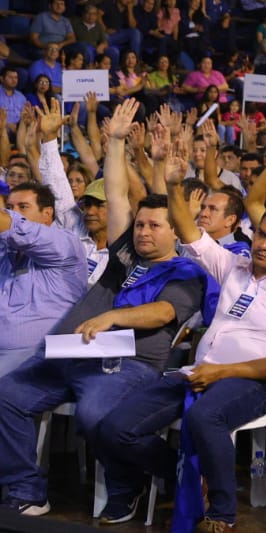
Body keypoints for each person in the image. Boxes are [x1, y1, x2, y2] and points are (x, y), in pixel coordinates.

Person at [0, 100, 213, 517]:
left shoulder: (187, 270)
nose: (144, 231)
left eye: (154, 226)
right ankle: (27, 489)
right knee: (7, 394)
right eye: (141, 225)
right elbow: (116, 195)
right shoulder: (126, 256)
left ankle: (146, 477)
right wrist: (114, 143)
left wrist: (114, 315)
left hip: (127, 363)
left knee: (97, 417)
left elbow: (163, 314)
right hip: (74, 355)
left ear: (176, 230)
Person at [94, 166, 266, 530]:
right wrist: (171, 183)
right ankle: (182, 474)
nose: (263, 244)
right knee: (115, 427)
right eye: (261, 234)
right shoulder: (236, 266)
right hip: (198, 373)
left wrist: (223, 372)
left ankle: (221, 513)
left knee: (204, 418)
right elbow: (191, 234)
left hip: (251, 383)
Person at [0, 178, 88, 378]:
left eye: (23, 207)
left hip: (37, 354)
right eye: (9, 208)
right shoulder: (6, 251)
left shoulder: (65, 243)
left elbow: (18, 229)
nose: (14, 213)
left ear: (47, 214)